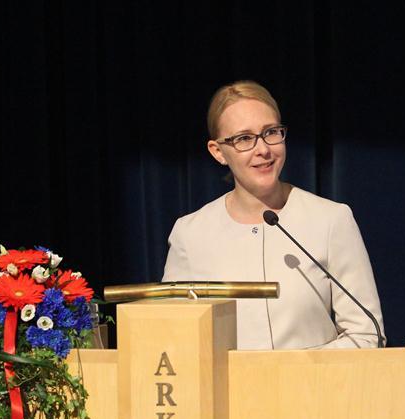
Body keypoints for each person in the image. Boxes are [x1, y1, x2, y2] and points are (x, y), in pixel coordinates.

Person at [162, 80, 385, 349]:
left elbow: (366, 334)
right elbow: (174, 340)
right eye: (244, 138)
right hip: (228, 390)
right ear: (218, 152)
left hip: (314, 388)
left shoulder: (331, 220)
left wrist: (298, 373)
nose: (263, 149)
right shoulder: (190, 234)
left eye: (271, 132)